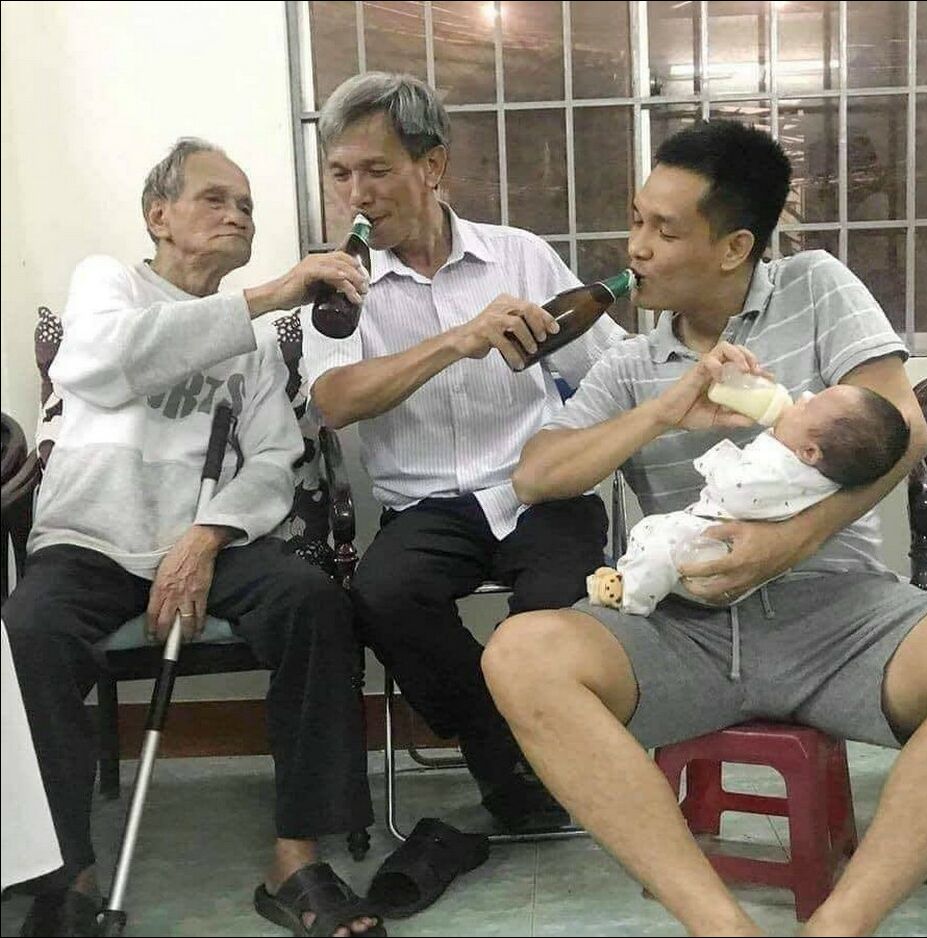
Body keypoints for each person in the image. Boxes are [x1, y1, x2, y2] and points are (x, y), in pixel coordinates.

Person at [481, 120, 927, 936]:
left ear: (734, 248)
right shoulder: (629, 362)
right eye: (636, 221)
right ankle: (721, 927)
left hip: (839, 612)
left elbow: (906, 428)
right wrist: (662, 411)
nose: (636, 247)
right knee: (519, 655)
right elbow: (535, 476)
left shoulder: (815, 285)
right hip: (683, 628)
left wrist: (792, 542)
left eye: (664, 229)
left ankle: (841, 924)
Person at [2, 138, 384, 938]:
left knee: (314, 604)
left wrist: (207, 536)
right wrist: (269, 294)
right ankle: (66, 875)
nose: (237, 214)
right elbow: (103, 362)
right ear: (159, 215)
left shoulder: (251, 348)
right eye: (215, 198)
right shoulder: (109, 283)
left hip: (209, 541)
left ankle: (296, 860)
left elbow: (274, 459)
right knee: (27, 631)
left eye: (246, 205)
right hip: (91, 537)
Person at [302, 73, 625, 829]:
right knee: (384, 596)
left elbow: (610, 367)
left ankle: (548, 760)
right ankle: (499, 748)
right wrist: (456, 341)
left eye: (376, 171)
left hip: (538, 489)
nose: (357, 195)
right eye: (340, 174)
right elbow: (334, 401)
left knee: (556, 606)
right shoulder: (338, 287)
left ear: (432, 166)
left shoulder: (521, 257)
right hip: (425, 509)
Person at [590, 384, 910, 617]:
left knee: (658, 538)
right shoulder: (814, 471)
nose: (804, 396)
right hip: (721, 539)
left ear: (810, 452)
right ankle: (629, 579)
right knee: (656, 537)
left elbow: (733, 490)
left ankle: (630, 596)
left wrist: (717, 462)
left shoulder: (785, 471)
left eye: (810, 405)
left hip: (720, 544)